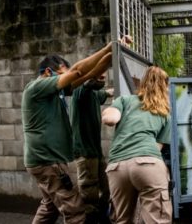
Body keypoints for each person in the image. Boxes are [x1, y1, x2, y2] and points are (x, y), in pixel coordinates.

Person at [22, 37, 127, 223]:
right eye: (62, 73)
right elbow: (78, 71)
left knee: (50, 206)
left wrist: (114, 53)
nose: (66, 76)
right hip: (47, 161)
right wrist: (107, 48)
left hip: (45, 160)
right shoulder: (36, 88)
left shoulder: (55, 92)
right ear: (48, 72)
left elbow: (87, 75)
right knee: (75, 210)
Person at [101, 66, 172, 223]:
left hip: (117, 167)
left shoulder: (124, 100)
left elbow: (110, 118)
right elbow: (157, 147)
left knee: (122, 219)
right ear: (164, 86)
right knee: (157, 219)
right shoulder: (164, 113)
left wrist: (111, 113)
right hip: (148, 163)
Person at [70, 72, 114, 223]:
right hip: (85, 152)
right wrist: (93, 75)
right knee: (89, 195)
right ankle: (91, 219)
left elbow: (105, 93)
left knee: (108, 187)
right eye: (99, 75)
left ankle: (101, 217)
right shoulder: (80, 92)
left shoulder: (94, 95)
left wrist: (114, 91)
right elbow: (86, 85)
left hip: (96, 152)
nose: (103, 76)